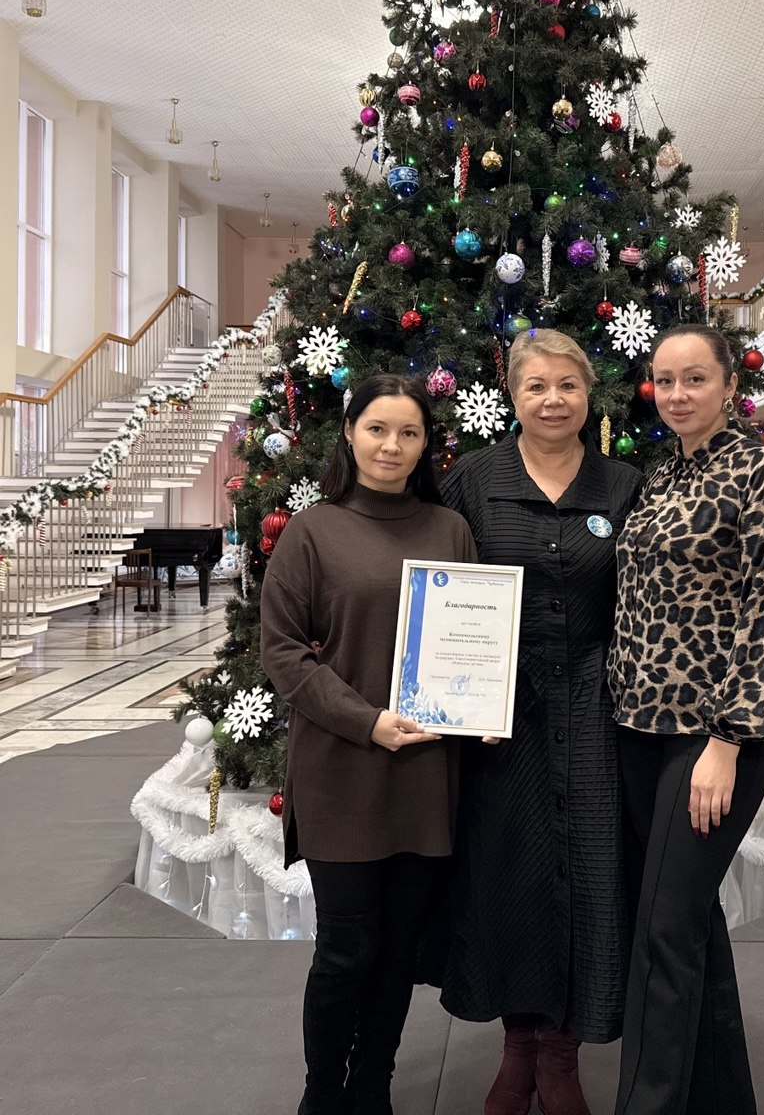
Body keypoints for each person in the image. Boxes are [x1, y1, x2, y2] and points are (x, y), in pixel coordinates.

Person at [608, 324, 764, 1115]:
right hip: (639, 729)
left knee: (663, 928)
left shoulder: (761, 472)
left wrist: (728, 739)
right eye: (665, 380)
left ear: (730, 384)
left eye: (695, 378)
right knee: (684, 920)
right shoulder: (660, 476)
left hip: (714, 737)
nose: (678, 394)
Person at [261, 374, 478, 1115]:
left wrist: (482, 700)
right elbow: (284, 654)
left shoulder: (449, 530)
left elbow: (473, 639)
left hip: (424, 773)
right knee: (345, 950)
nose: (392, 445)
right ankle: (324, 1093)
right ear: (350, 434)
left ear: (426, 445)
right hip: (342, 768)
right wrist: (367, 721)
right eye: (378, 428)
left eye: (409, 432)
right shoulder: (311, 531)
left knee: (397, 951)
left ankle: (373, 1086)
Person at [439, 329, 642, 1115]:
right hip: (500, 717)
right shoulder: (472, 481)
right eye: (536, 386)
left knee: (594, 877)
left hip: (599, 712)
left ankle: (564, 1053)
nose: (553, 400)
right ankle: (518, 1044)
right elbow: (438, 590)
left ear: (589, 394)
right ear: (512, 395)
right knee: (508, 875)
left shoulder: (624, 486)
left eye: (567, 385)